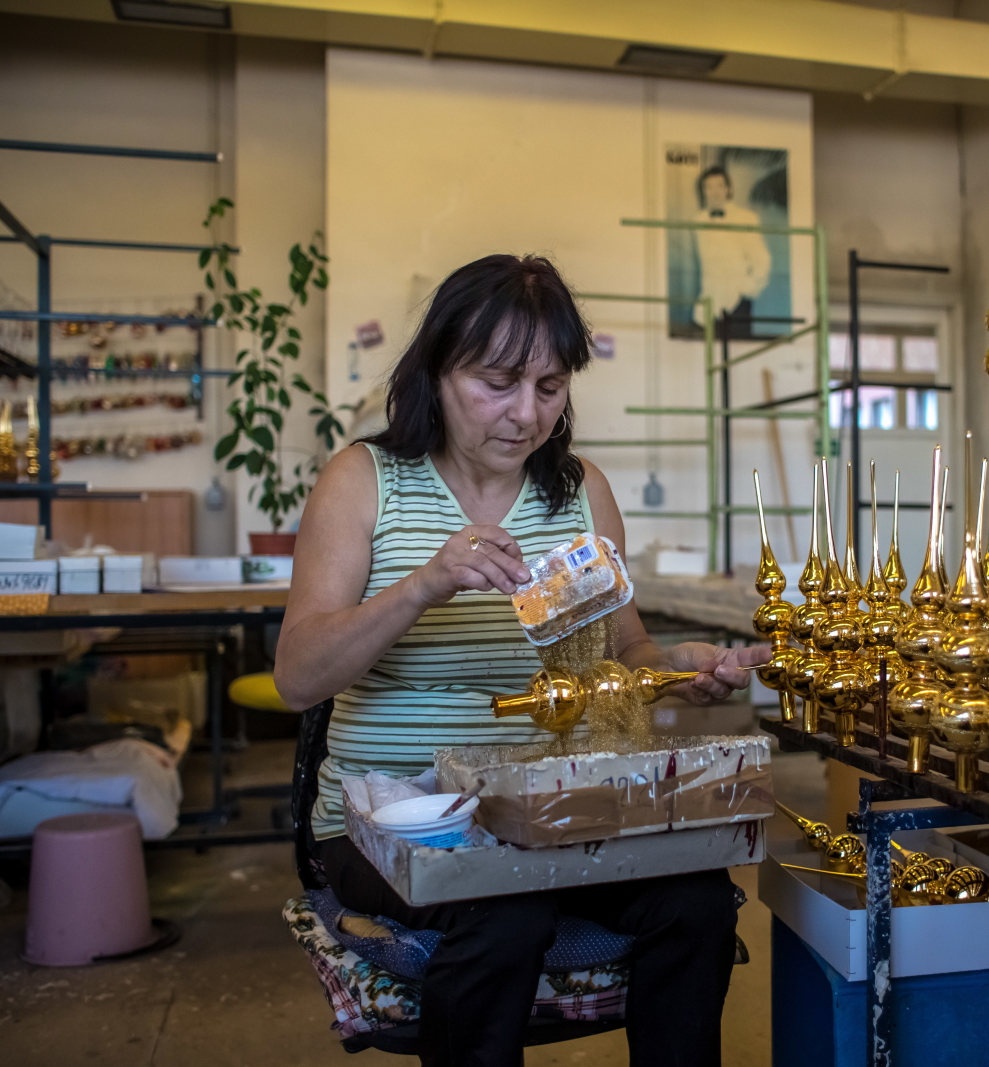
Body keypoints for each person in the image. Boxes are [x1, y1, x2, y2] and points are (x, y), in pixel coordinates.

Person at [275, 253, 769, 1067]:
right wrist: (425, 583)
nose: (525, 413)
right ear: (437, 370)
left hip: (549, 807)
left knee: (697, 903)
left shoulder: (578, 492)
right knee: (503, 912)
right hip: (397, 819)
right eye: (498, 381)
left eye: (550, 387)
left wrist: (677, 665)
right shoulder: (366, 481)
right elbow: (298, 676)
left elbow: (625, 652)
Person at [690, 165, 771, 339]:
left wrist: (746, 290)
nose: (714, 192)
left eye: (719, 186)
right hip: (708, 303)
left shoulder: (746, 218)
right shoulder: (698, 222)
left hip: (737, 304)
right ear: (703, 191)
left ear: (728, 189)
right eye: (709, 187)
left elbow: (762, 260)